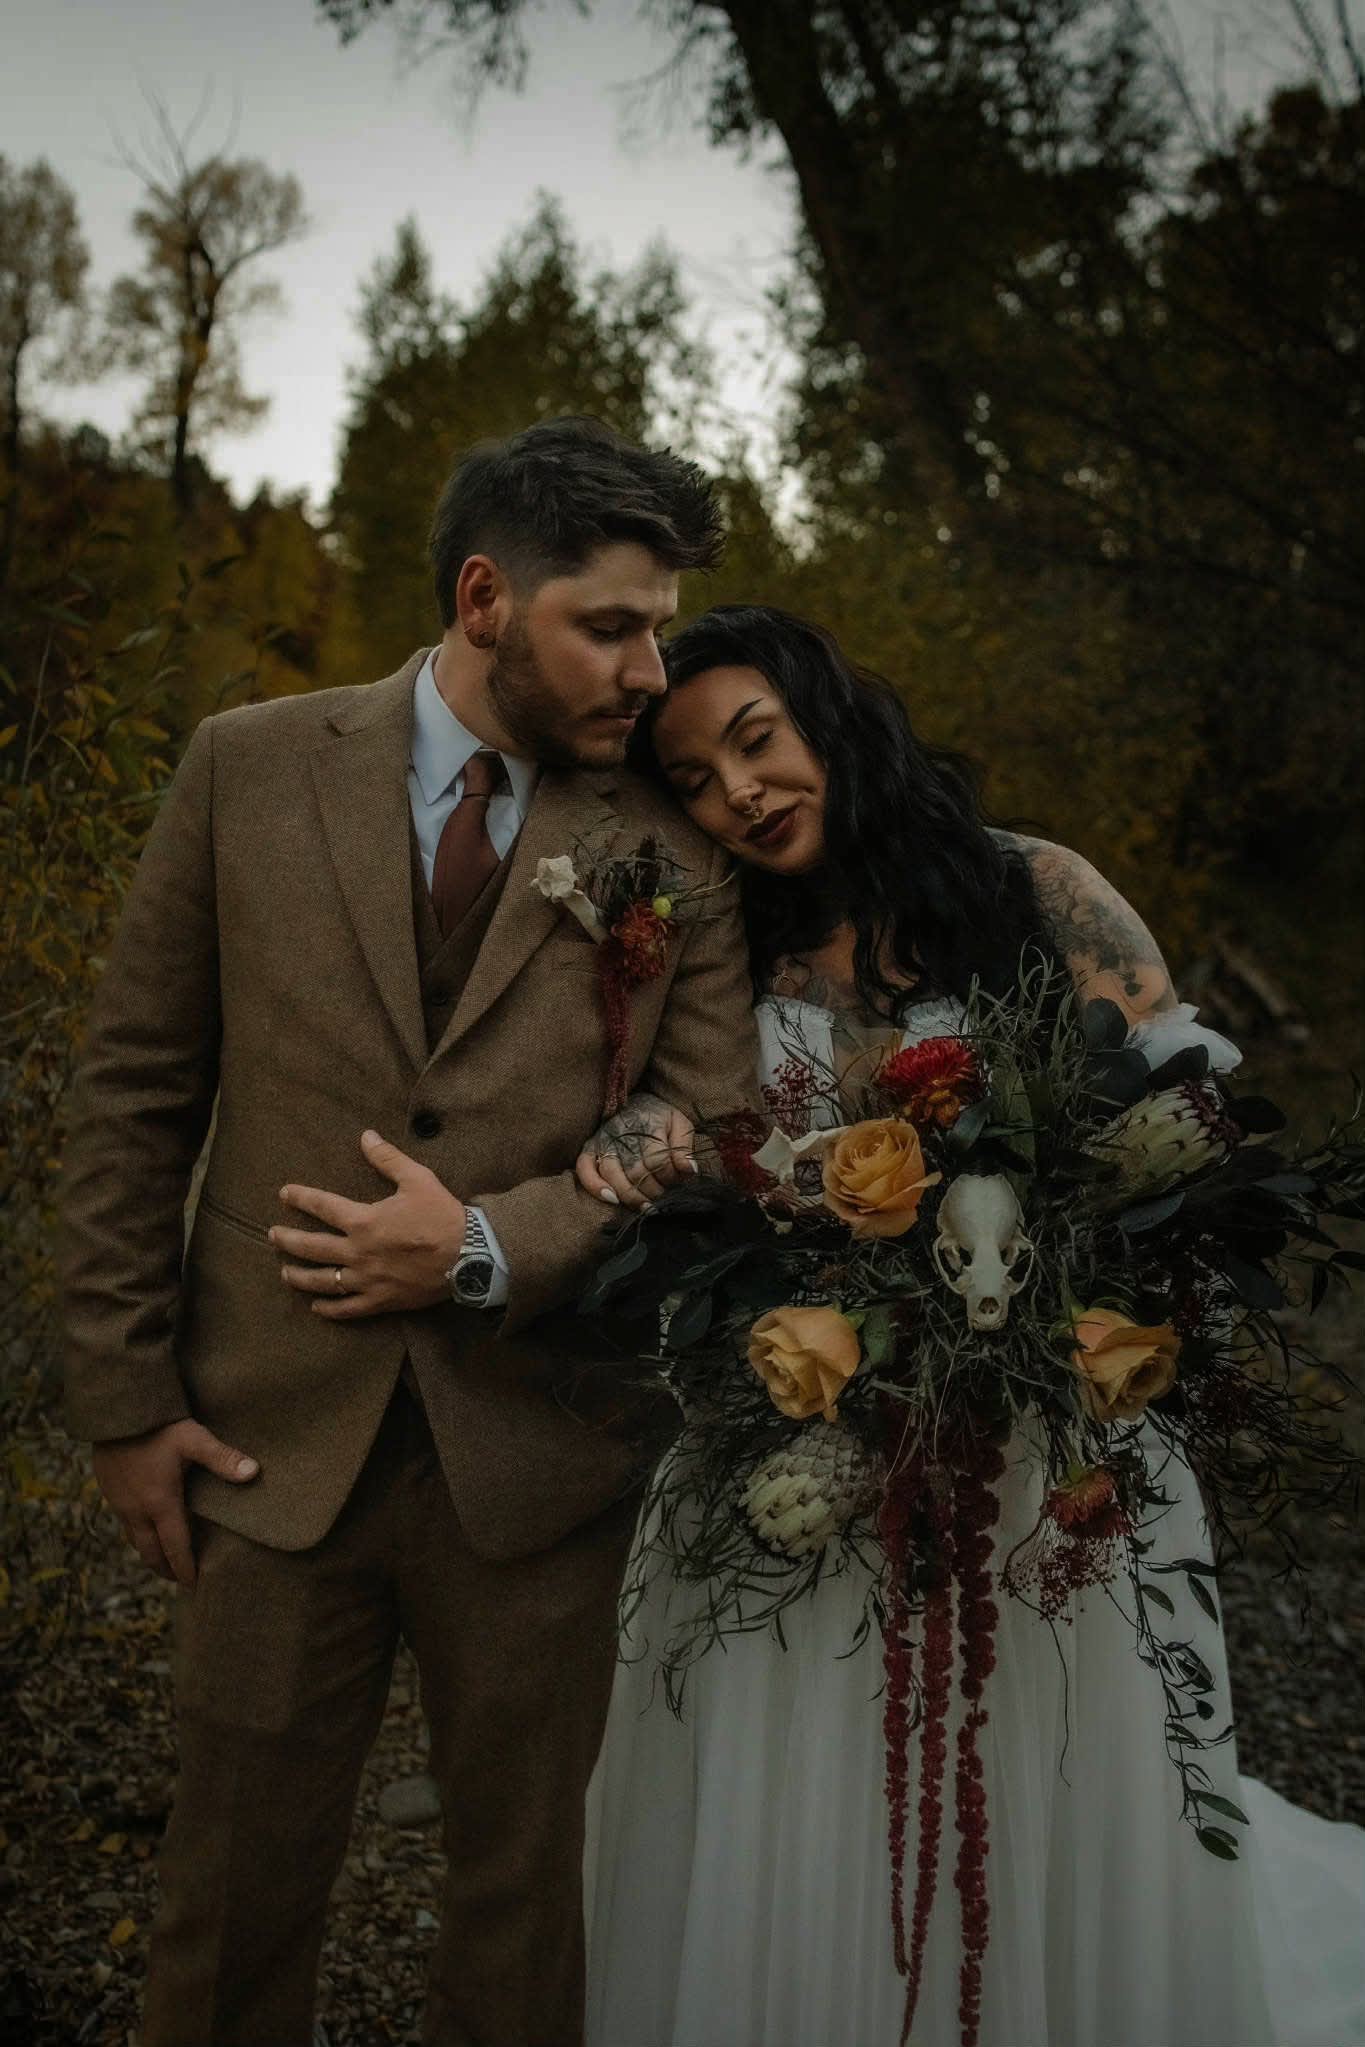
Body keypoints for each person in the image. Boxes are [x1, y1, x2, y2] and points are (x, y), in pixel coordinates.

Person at [58, 418, 760, 2047]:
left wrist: (494, 1242)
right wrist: (122, 1403)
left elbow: (703, 1120)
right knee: (227, 1904)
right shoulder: (245, 764)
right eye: (613, 622)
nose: (651, 666)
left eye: (660, 625)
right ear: (483, 597)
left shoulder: (671, 851)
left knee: (525, 1922)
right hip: (264, 1445)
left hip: (545, 1450)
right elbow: (136, 1097)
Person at [576, 605, 1365, 2047]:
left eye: (754, 742)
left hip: (1039, 1447)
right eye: (691, 780)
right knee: (801, 1786)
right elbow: (684, 1141)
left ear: (825, 717)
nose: (737, 794)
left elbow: (1179, 1129)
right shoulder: (711, 958)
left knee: (1055, 1774)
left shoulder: (1034, 890)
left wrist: (1044, 1289)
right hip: (805, 1447)